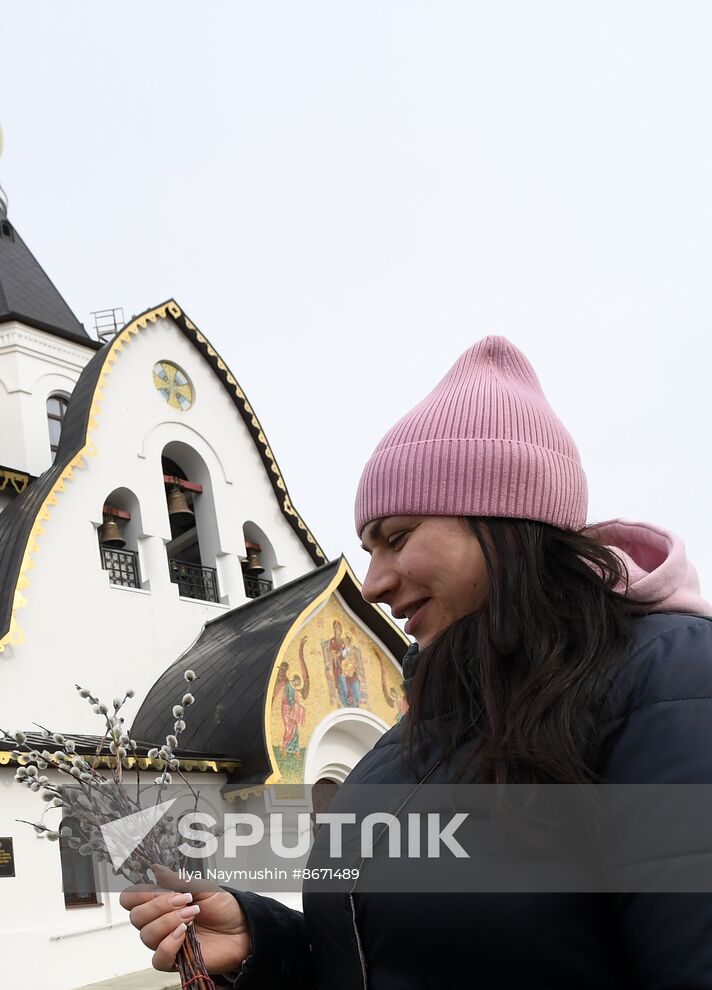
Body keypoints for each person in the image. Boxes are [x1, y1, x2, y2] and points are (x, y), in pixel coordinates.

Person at [121, 337, 712, 987]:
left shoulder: (670, 687)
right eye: (370, 548)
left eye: (398, 538)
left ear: (506, 520)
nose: (372, 583)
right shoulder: (409, 740)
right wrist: (264, 942)